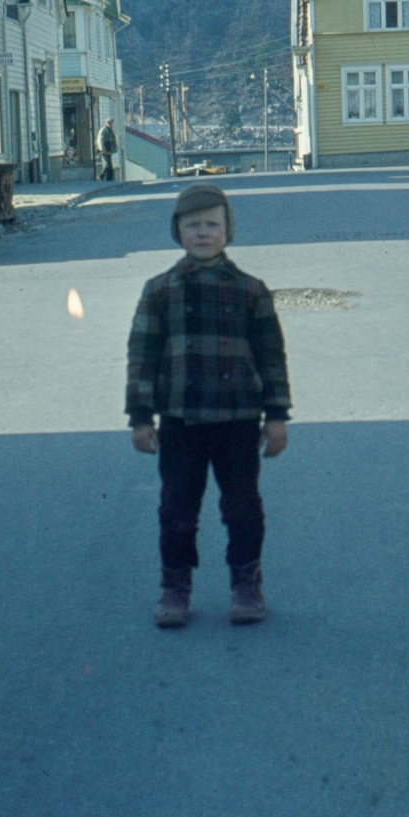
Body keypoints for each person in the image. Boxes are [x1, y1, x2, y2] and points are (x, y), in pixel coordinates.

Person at [125, 183, 291, 628]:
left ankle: (246, 583)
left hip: (238, 421)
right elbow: (141, 357)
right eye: (192, 225)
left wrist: (276, 415)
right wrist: (141, 417)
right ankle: (174, 587)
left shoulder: (251, 291)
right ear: (177, 231)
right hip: (181, 422)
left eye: (212, 224)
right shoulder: (159, 290)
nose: (203, 233)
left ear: (228, 230)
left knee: (242, 508)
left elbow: (271, 357)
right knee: (177, 510)